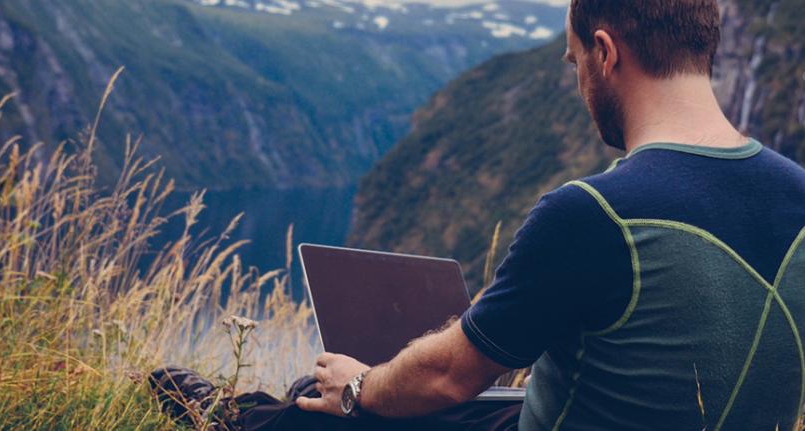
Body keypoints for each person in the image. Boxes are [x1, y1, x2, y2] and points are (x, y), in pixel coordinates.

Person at [151, 0, 805, 429]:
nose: (580, 82)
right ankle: (257, 408)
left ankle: (226, 415)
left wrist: (361, 388)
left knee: (355, 401)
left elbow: (448, 372)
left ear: (605, 53)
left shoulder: (594, 213)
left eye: (576, 62)